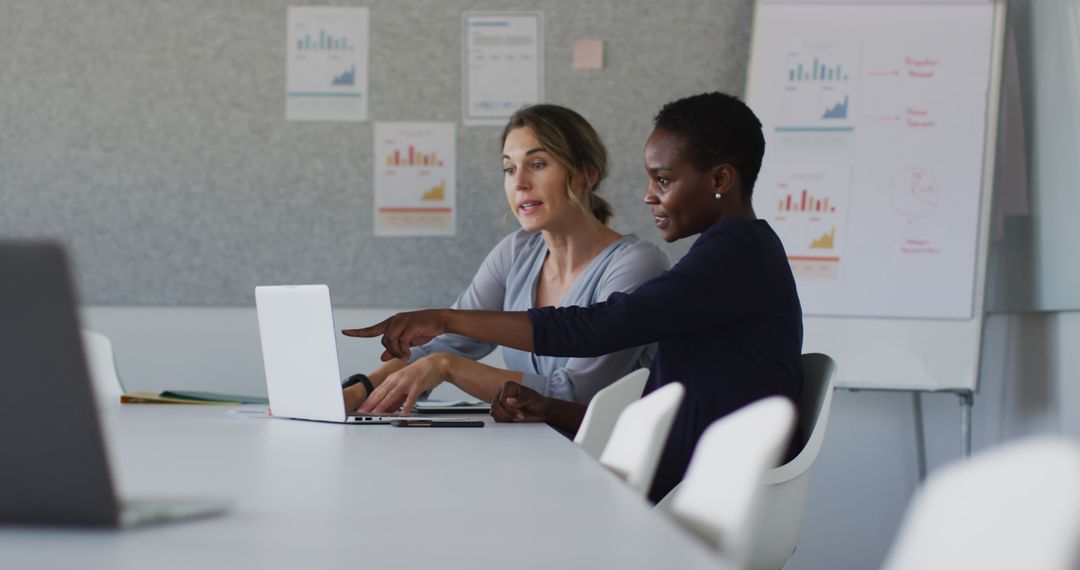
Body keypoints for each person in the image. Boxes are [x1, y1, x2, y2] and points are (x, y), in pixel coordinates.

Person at [344, 92, 804, 504]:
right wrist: (546, 408)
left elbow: (595, 327)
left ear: (721, 178)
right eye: (509, 168)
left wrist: (448, 320)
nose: (648, 196)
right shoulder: (730, 252)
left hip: (696, 489)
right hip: (673, 473)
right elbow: (648, 403)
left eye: (662, 180)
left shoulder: (733, 254)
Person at [341, 104, 669, 417]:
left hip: (601, 464)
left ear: (588, 173)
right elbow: (444, 345)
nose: (519, 182)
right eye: (510, 169)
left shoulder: (637, 264)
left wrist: (447, 368)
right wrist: (355, 392)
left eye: (538, 164)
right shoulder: (515, 252)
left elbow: (575, 396)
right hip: (532, 449)